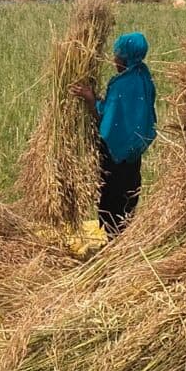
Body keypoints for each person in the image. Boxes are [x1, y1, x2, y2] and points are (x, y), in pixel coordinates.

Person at [75, 30, 157, 234]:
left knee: (111, 198)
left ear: (126, 57)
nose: (114, 59)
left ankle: (114, 243)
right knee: (127, 197)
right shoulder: (143, 76)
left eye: (118, 55)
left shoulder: (121, 85)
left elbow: (106, 119)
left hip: (115, 153)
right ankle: (123, 237)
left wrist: (91, 99)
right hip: (133, 153)